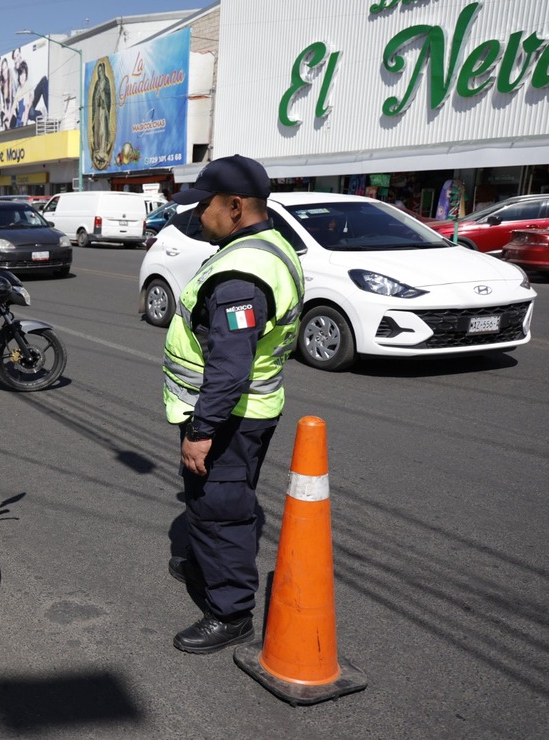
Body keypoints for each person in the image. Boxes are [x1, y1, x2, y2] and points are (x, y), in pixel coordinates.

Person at [160, 154, 304, 654]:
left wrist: (201, 431)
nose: (198, 215)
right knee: (215, 503)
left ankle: (230, 612)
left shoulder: (241, 275)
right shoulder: (266, 245)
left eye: (205, 205)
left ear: (236, 206)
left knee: (220, 512)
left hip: (229, 417)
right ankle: (206, 564)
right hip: (248, 409)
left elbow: (230, 366)